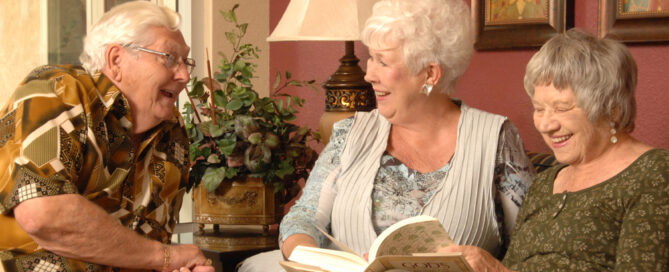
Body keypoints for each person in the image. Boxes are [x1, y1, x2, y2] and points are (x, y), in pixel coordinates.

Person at [238, 0, 535, 271]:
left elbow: (533, 250)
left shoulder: (495, 140)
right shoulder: (351, 134)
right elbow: (302, 218)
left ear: (430, 74)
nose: (369, 74)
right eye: (370, 58)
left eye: (383, 61)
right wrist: (312, 258)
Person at [0, 2, 214, 271]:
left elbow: (145, 250)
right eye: (169, 58)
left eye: (186, 62)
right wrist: (166, 257)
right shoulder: (57, 91)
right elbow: (43, 214)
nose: (184, 75)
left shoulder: (172, 132)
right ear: (116, 60)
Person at [442, 29, 669, 271]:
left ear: (611, 109)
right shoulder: (545, 184)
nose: (545, 125)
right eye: (539, 109)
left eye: (562, 108)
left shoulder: (653, 173)